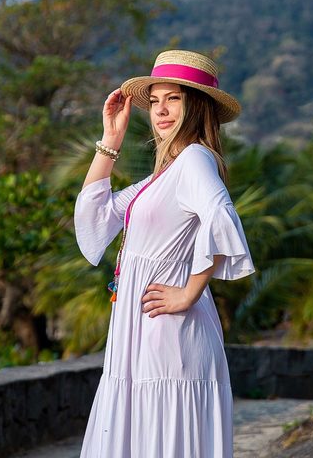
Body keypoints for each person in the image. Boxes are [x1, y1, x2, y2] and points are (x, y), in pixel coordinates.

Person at [74, 49, 256, 457]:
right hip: (143, 336)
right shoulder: (160, 177)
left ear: (197, 106)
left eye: (173, 98)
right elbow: (95, 217)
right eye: (155, 100)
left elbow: (222, 216)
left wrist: (188, 292)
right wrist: (110, 140)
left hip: (170, 334)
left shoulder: (194, 159)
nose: (160, 110)